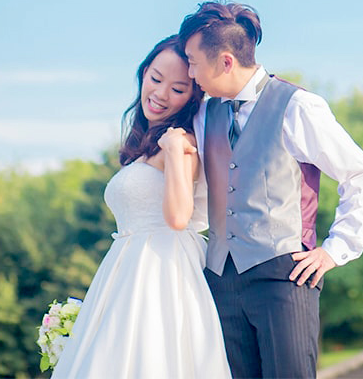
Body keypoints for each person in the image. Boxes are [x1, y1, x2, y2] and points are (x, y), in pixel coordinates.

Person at [179, 0, 363, 379]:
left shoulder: (298, 106)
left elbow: (361, 173)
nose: (189, 73)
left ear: (224, 61)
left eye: (192, 61)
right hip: (221, 280)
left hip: (285, 277)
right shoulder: (205, 113)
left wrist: (336, 250)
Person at [53, 35, 231, 379]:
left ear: (193, 97)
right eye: (156, 79)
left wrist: (176, 151)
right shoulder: (144, 144)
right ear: (144, 73)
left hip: (164, 271)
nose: (162, 94)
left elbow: (180, 217)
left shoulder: (181, 142)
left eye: (178, 89)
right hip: (127, 271)